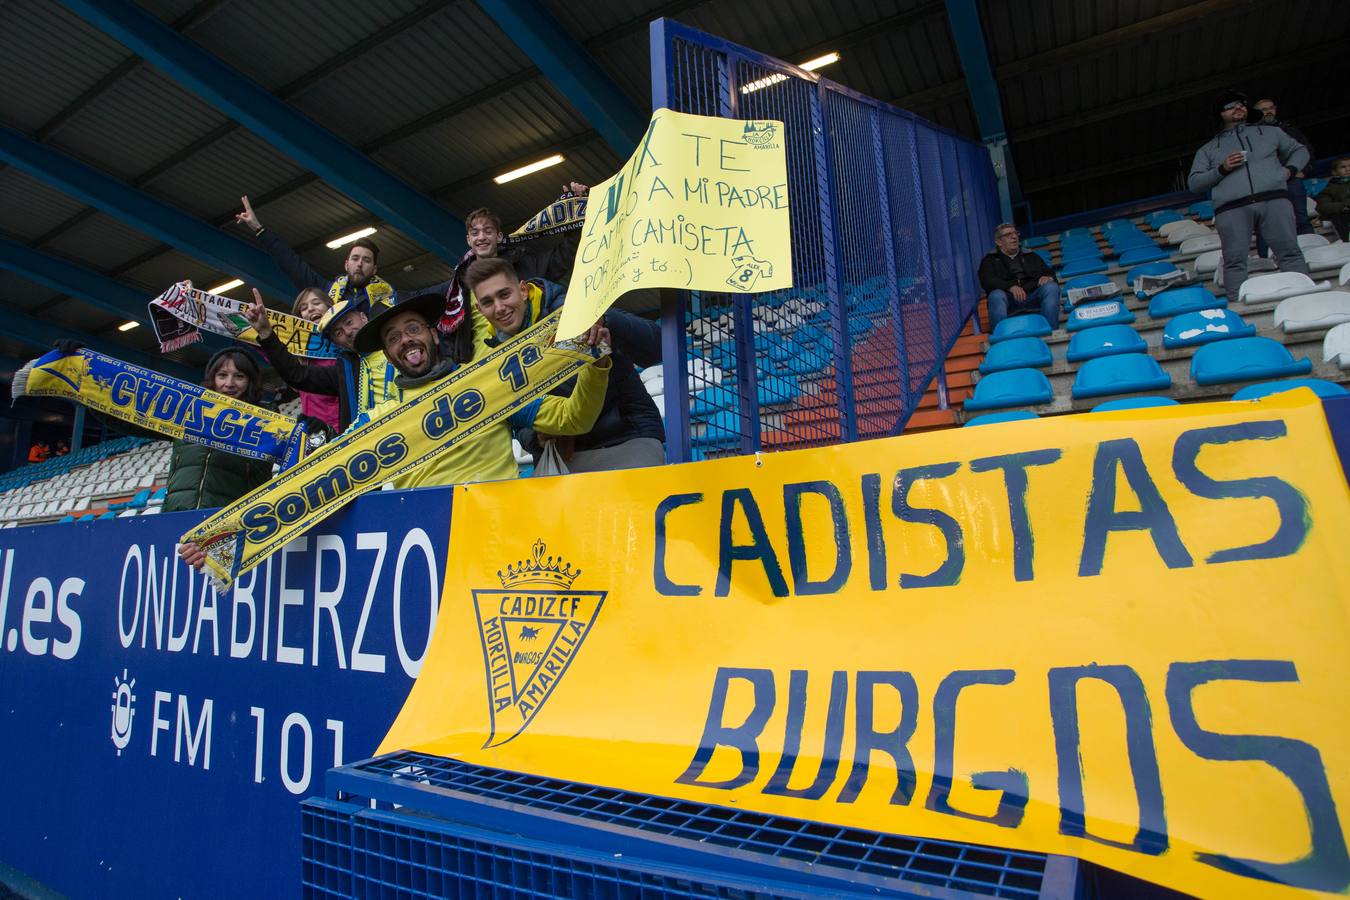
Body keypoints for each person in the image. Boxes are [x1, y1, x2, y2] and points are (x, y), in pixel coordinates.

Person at [464, 257, 664, 472]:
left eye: (504, 294)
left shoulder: (572, 310)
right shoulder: (495, 358)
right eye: (488, 302)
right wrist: (535, 437)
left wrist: (604, 319)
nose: (499, 307)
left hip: (625, 438)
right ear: (480, 309)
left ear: (523, 290)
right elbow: (516, 423)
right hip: (560, 456)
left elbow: (657, 346)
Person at [1188, 90, 1310, 304]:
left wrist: (1288, 171)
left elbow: (1300, 151)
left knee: (1289, 251)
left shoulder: (1272, 132)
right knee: (1234, 260)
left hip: (1274, 198)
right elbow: (1194, 183)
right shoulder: (1207, 149)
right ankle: (1238, 307)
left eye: (1242, 104)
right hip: (1231, 208)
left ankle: (1305, 299)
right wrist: (1222, 169)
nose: (1238, 107)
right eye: (1230, 106)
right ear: (1219, 114)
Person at [244, 288, 398, 433]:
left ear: (364, 317)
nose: (347, 332)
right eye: (338, 332)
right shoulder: (345, 370)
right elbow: (296, 374)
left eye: (349, 322)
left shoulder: (398, 346)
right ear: (336, 342)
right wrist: (265, 332)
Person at [234, 196, 396, 314]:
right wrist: (259, 229)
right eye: (355, 258)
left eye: (366, 260)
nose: (360, 263)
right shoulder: (326, 291)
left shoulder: (389, 298)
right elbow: (292, 264)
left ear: (374, 269)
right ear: (346, 264)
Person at [162, 348, 274, 513]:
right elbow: (132, 421)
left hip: (230, 520)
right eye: (222, 375)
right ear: (212, 379)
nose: (229, 383)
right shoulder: (188, 411)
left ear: (250, 381)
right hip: (177, 513)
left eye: (239, 376)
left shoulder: (267, 420)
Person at [977, 224, 1060, 332]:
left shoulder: (1031, 256)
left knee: (1051, 287)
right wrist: (1010, 287)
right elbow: (987, 281)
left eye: (1015, 233)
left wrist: (1047, 277)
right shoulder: (989, 260)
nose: (1014, 237)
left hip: (1032, 298)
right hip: (1008, 301)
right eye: (1008, 235)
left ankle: (1051, 332)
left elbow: (1050, 273)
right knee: (996, 295)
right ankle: (1001, 337)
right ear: (999, 242)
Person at [1252, 97, 1316, 238]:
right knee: (1270, 225)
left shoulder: (1289, 130)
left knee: (1301, 220)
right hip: (1267, 186)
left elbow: (1307, 151)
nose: (1268, 111)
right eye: (1263, 109)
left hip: (1292, 181)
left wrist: (1303, 171)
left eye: (1271, 108)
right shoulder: (1250, 135)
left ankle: (1309, 248)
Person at [288, 286, 341, 433]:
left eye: (316, 303)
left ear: (330, 306)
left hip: (345, 430)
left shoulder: (345, 344)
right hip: (314, 434)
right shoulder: (299, 356)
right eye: (303, 308)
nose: (310, 309)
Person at [1316, 156, 1350, 242]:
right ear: (1334, 172)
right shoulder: (1329, 190)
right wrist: (1345, 205)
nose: (1348, 169)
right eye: (1343, 167)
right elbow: (1323, 207)